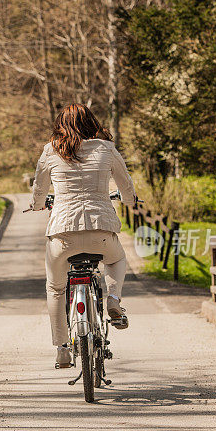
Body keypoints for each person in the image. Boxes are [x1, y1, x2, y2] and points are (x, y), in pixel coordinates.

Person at [30, 104, 136, 368]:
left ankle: (62, 348)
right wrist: (130, 200)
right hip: (101, 230)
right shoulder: (106, 149)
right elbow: (125, 185)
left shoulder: (51, 150)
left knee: (55, 288)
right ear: (92, 123)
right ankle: (113, 300)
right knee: (117, 260)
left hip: (62, 234)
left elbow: (39, 188)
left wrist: (37, 204)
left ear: (60, 125)